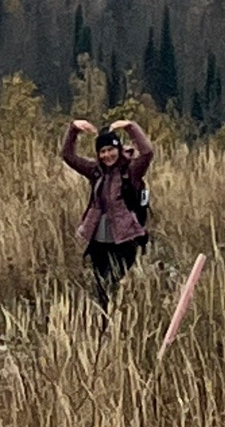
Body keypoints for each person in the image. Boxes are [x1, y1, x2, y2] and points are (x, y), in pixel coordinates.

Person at [59, 111, 154, 311]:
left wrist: (130, 126)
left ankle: (119, 319)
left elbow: (147, 152)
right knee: (101, 285)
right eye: (102, 151)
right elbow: (67, 155)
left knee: (115, 281)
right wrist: (73, 128)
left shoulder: (131, 172)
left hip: (125, 239)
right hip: (98, 240)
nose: (107, 155)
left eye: (111, 149)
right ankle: (103, 322)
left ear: (118, 149)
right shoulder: (95, 171)